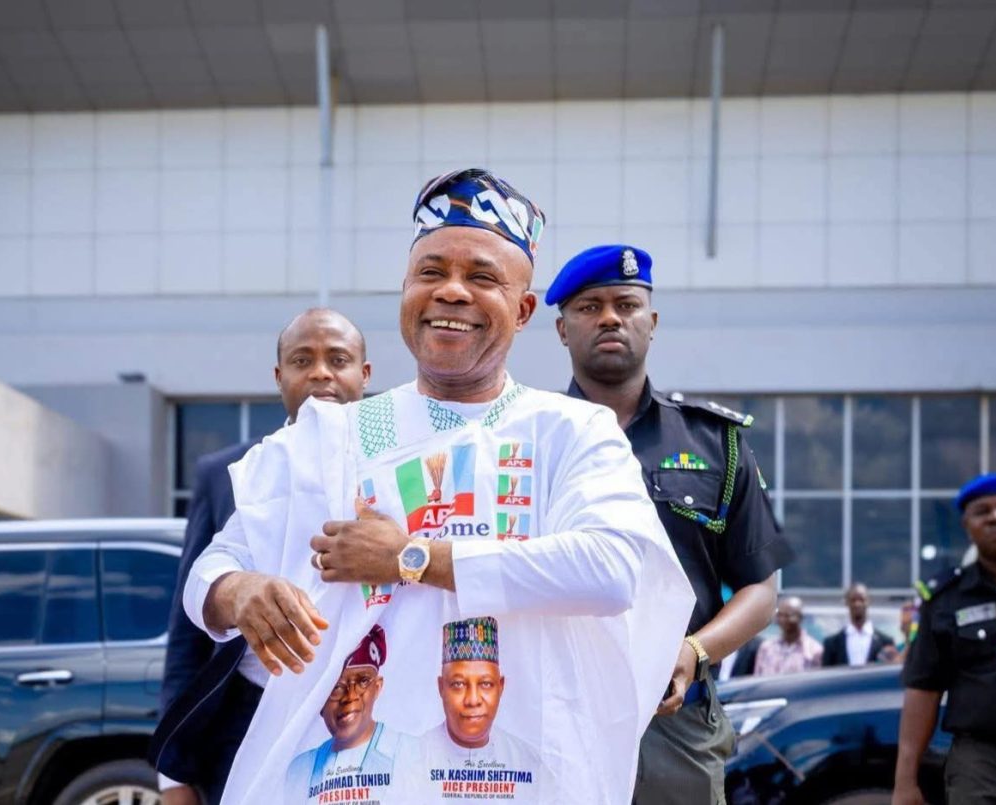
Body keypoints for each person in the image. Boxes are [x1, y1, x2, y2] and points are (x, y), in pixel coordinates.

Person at [182, 168, 695, 804]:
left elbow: (611, 569)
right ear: (406, 292)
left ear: (524, 310)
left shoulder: (570, 431)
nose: (451, 292)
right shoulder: (332, 438)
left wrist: (411, 558)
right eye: (431, 272)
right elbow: (211, 573)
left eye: (481, 277)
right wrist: (239, 592)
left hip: (525, 778)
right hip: (352, 781)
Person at [546, 244, 793, 804]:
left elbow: (760, 591)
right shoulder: (530, 440)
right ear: (562, 329)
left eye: (626, 305)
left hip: (675, 719)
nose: (610, 318)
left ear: (651, 322)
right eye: (589, 307)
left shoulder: (715, 442)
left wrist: (693, 652)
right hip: (557, 714)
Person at [152, 308, 371, 805]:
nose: (321, 373)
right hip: (248, 713)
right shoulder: (231, 472)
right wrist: (172, 776)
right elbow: (187, 628)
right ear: (279, 376)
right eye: (302, 360)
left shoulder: (399, 464)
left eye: (338, 360)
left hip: (361, 712)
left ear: (364, 374)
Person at [893, 472, 996, 805]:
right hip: (981, 762)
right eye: (982, 511)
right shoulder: (945, 599)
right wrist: (905, 781)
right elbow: (923, 689)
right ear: (967, 526)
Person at [398, 617, 539, 802]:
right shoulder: (413, 762)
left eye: (486, 684)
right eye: (458, 684)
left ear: (500, 687)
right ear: (441, 687)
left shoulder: (526, 763)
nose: (473, 700)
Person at [285, 625, 399, 804]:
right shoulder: (299, 770)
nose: (350, 696)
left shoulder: (409, 756)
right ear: (317, 701)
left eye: (362, 682)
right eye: (336, 687)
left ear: (377, 688)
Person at [821, 583, 894, 667]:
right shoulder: (832, 644)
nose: (857, 604)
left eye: (861, 599)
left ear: (868, 601)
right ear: (847, 603)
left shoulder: (885, 642)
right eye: (853, 600)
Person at [754, 596, 823, 676]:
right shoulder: (766, 648)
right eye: (780, 615)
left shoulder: (814, 650)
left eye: (788, 615)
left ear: (800, 617)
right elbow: (757, 677)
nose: (783, 619)